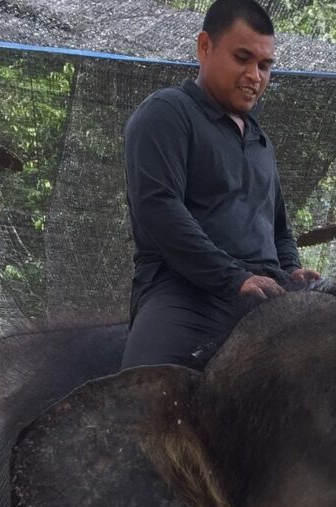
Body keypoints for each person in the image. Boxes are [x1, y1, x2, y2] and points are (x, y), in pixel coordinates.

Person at [121, 0, 320, 368]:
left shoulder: (261, 141)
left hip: (267, 290)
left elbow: (277, 229)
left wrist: (292, 268)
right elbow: (158, 209)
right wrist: (234, 278)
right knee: (142, 397)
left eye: (264, 65)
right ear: (204, 47)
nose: (254, 76)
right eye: (242, 58)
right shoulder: (167, 113)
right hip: (184, 293)